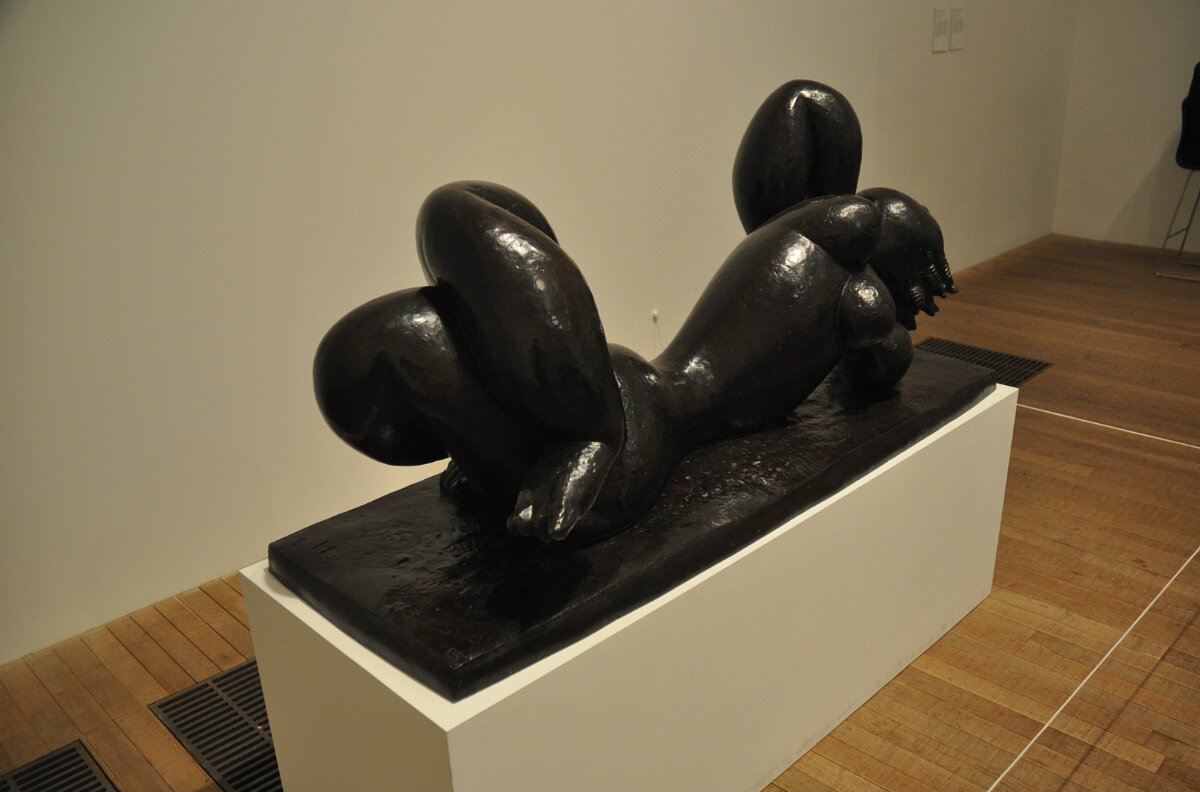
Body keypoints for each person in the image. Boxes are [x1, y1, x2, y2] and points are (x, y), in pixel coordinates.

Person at [313, 81, 955, 544]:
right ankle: (552, 440)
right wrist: (899, 292)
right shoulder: (839, 250)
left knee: (444, 229)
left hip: (630, 428)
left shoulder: (844, 277)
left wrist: (887, 327)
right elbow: (809, 112)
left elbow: (879, 354)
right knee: (408, 310)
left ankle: (577, 439)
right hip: (630, 412)